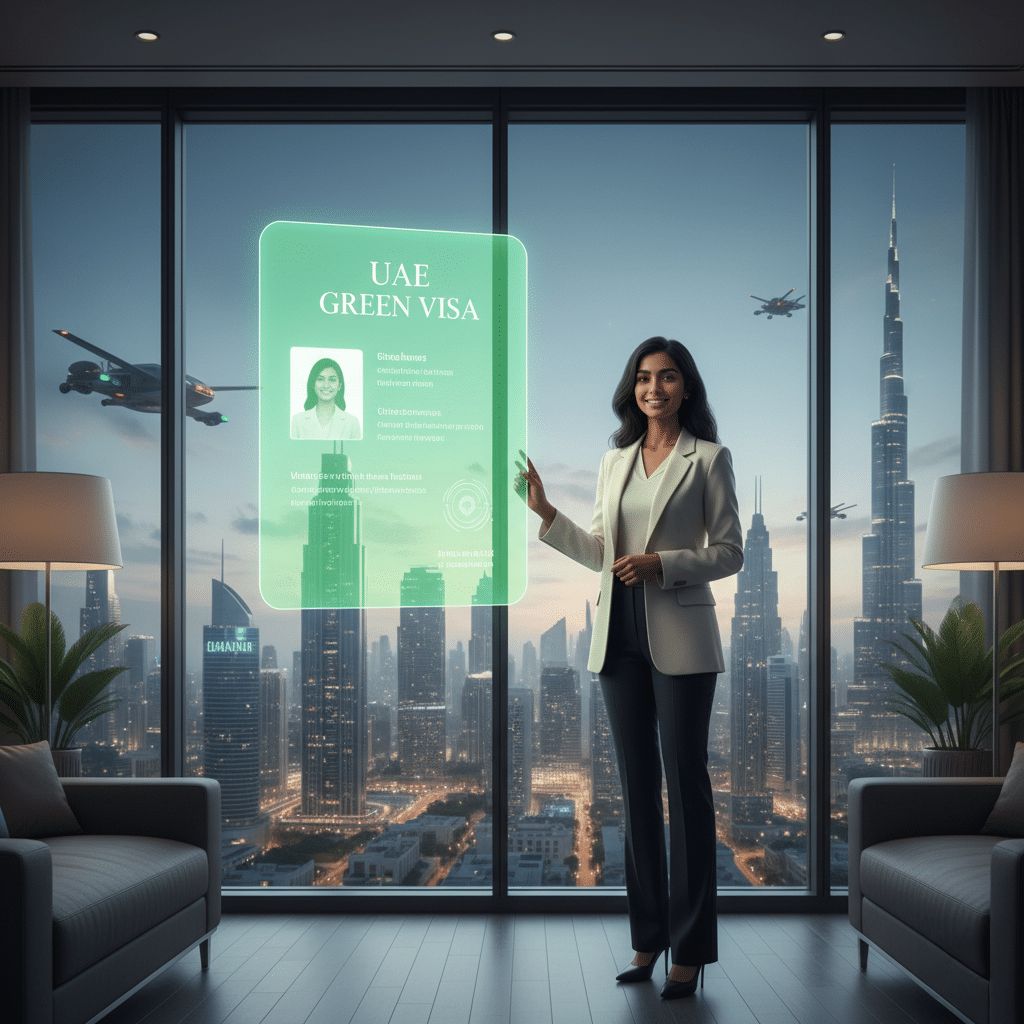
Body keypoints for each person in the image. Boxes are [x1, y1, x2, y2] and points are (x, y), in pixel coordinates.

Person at [515, 337, 742, 999]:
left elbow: (729, 552)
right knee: (636, 795)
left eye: (667, 377)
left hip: (682, 634)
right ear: (631, 388)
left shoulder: (710, 460)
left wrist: (661, 564)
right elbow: (599, 553)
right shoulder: (613, 462)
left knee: (686, 789)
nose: (654, 388)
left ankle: (691, 948)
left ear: (686, 387)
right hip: (617, 637)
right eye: (644, 378)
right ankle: (648, 939)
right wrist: (546, 513)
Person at [291, 356, 361, 440]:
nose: (326, 385)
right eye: (320, 379)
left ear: (339, 386)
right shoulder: (298, 421)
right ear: (313, 384)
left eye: (332, 380)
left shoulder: (352, 423)